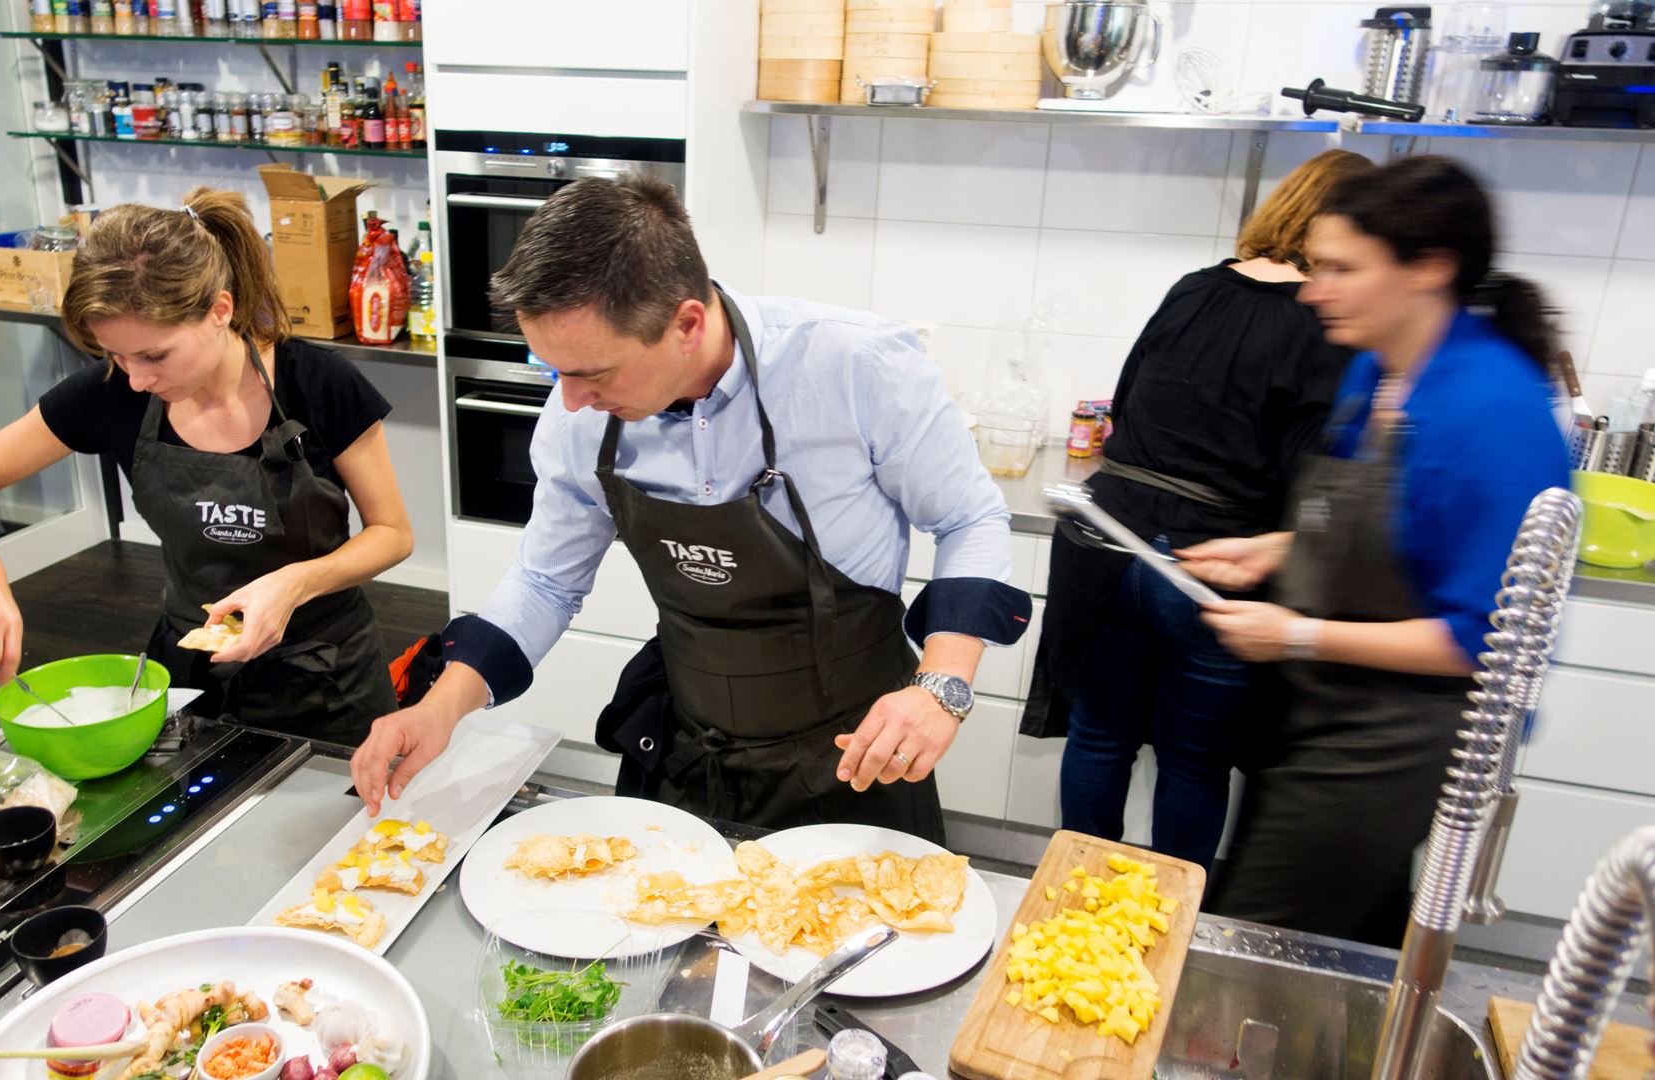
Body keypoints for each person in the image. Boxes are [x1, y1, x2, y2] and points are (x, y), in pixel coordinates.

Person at [350, 175, 1031, 841]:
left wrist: (942, 686)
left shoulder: (855, 367)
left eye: (593, 373)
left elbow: (969, 519)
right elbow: (544, 581)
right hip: (685, 757)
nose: (570, 400)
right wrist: (441, 710)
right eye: (553, 371)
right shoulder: (580, 415)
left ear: (687, 323)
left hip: (857, 759)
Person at [1183, 156, 1570, 946]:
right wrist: (1274, 549)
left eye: (1339, 269)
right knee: (1348, 945)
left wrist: (1291, 631)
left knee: (1259, 942)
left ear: (1429, 268)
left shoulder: (1496, 409)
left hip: (1399, 738)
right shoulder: (1378, 370)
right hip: (1324, 708)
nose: (1311, 290)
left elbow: (1478, 643)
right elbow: (1389, 522)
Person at [0, 187, 412, 744]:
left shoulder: (317, 382)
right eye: (115, 356)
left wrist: (295, 584)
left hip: (327, 680)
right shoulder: (116, 393)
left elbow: (392, 533)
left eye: (154, 355)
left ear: (219, 310)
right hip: (189, 676)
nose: (135, 378)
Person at [1022, 150, 1376, 872]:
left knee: (1099, 737)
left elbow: (1127, 405)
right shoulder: (1325, 325)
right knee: (1195, 763)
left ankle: (1081, 911)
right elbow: (1313, 477)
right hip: (1215, 561)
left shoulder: (1193, 289)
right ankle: (1172, 931)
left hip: (1107, 541)